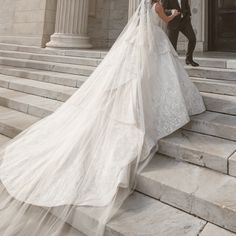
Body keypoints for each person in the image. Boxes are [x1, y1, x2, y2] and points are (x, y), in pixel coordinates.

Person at [0, 0, 205, 235]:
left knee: (143, 75)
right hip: (152, 37)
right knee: (152, 74)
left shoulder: (142, 5)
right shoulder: (156, 5)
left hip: (141, 38)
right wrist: (173, 13)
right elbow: (166, 20)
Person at [161, 0, 200, 66]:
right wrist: (171, 11)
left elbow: (186, 5)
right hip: (173, 22)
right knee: (172, 46)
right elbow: (163, 10)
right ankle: (172, 65)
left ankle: (189, 59)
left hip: (184, 22)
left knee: (192, 39)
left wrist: (188, 15)